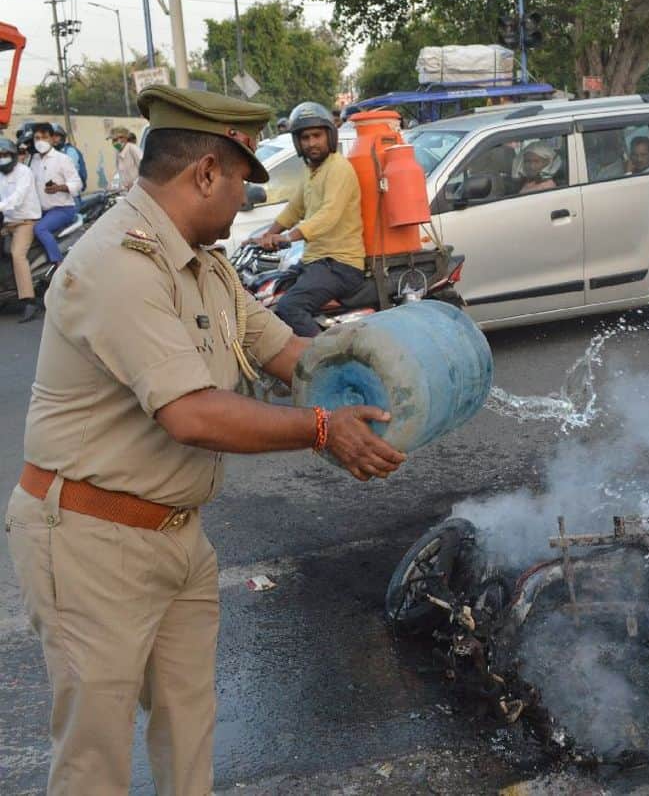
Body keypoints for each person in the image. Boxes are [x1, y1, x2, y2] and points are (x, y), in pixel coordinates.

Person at [6, 85, 405, 796]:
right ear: (207, 174)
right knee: (93, 760)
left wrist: (380, 374)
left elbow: (288, 352)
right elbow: (191, 414)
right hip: (89, 539)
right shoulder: (117, 265)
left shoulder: (205, 264)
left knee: (188, 733)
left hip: (176, 537)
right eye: (244, 182)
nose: (242, 201)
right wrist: (322, 430)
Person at [252, 101, 366, 337]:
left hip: (341, 265)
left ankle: (322, 364)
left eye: (317, 135)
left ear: (329, 136)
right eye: (305, 137)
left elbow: (328, 215)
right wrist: (266, 236)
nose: (312, 142)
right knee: (267, 292)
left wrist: (287, 238)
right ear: (298, 142)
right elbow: (294, 209)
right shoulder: (311, 170)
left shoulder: (339, 169)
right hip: (315, 261)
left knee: (290, 306)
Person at [0, 136, 43, 322]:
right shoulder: (1, 174)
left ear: (14, 155)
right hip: (7, 223)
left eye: (5, 154)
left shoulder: (24, 172)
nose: (2, 158)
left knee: (17, 254)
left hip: (25, 222)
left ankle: (29, 301)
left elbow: (17, 197)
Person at [29, 121, 82, 264]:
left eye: (44, 137)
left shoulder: (63, 159)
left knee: (40, 229)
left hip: (63, 209)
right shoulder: (33, 160)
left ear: (53, 139)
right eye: (37, 138)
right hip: (41, 211)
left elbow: (78, 184)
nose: (40, 141)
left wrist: (59, 187)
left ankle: (59, 264)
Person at [51, 122, 88, 195]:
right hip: (58, 192)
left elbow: (71, 173)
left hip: (72, 194)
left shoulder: (70, 151)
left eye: (56, 136)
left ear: (62, 137)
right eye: (52, 136)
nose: (54, 139)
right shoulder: (53, 153)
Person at [110, 125, 144, 193]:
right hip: (127, 191)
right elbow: (120, 171)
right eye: (113, 140)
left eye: (115, 140)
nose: (114, 143)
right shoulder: (118, 153)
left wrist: (135, 184)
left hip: (138, 189)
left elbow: (144, 168)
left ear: (124, 138)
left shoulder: (133, 149)